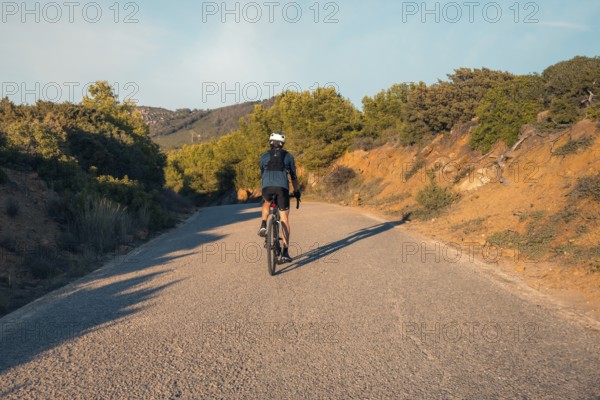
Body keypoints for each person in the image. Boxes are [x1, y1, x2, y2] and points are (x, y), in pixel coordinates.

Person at [258, 132, 301, 263]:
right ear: (283, 143)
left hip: (267, 187)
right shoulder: (288, 156)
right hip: (282, 189)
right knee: (284, 218)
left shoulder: (264, 156)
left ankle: (264, 224)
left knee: (267, 202)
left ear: (270, 142)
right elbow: (293, 177)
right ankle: (285, 252)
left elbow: (262, 173)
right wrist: (297, 192)